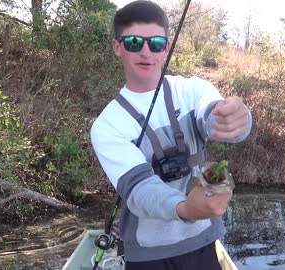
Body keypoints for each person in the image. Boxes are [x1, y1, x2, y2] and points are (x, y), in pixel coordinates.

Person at [90, 1, 252, 269]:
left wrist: (238, 119)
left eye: (156, 43)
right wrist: (186, 209)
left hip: (203, 241)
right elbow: (141, 190)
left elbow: (214, 115)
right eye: (133, 42)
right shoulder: (107, 125)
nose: (146, 51)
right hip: (147, 254)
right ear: (117, 47)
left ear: (166, 48)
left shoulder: (192, 90)